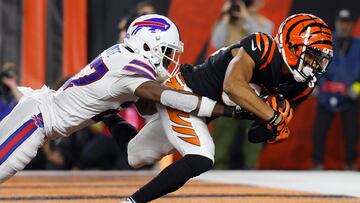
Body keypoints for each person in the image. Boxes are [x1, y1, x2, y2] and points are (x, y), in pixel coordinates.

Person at [111, 13, 333, 203]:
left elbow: (256, 133)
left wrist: (273, 128)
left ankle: (108, 114)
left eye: (320, 61)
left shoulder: (301, 86)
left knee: (135, 155)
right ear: (291, 46)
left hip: (204, 112)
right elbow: (233, 86)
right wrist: (274, 116)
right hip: (186, 92)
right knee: (201, 157)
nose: (315, 66)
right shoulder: (262, 47)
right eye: (312, 56)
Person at [0, 14, 233, 183]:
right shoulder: (130, 66)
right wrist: (223, 110)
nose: (169, 58)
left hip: (38, 116)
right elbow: (163, 96)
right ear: (147, 44)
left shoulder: (123, 56)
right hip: (35, 122)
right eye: (167, 50)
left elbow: (147, 107)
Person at [312, 9, 360, 170]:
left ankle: (350, 163)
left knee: (352, 131)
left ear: (352, 25)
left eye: (347, 23)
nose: (344, 26)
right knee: (319, 129)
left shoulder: (358, 45)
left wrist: (357, 87)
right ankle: (317, 163)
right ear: (336, 23)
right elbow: (314, 65)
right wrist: (315, 85)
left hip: (348, 95)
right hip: (326, 92)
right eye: (341, 22)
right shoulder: (325, 42)